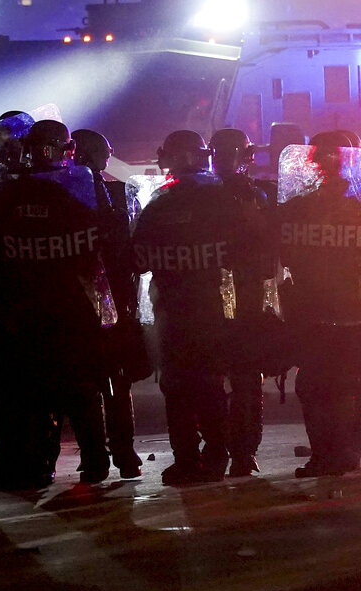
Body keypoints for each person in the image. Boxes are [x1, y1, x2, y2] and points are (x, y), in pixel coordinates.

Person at [0, 120, 111, 490]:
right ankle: (41, 464)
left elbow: (109, 245)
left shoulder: (85, 185)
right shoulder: (9, 190)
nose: (43, 157)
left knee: (78, 388)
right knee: (37, 392)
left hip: (67, 306)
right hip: (31, 307)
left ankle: (94, 459)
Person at [132, 130, 249, 485]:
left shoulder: (158, 204)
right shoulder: (223, 199)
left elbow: (137, 258)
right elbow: (249, 250)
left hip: (173, 311)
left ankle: (187, 460)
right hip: (213, 309)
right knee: (209, 385)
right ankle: (215, 455)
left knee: (178, 387)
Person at [277, 131, 361, 477]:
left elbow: (279, 255)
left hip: (317, 314)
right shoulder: (354, 208)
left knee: (319, 386)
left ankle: (332, 455)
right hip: (343, 314)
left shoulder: (297, 209)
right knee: (337, 385)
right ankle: (338, 453)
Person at [72, 128, 144, 479]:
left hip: (100, 299)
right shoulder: (113, 194)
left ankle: (105, 456)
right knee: (106, 382)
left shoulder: (114, 193)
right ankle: (114, 455)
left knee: (102, 382)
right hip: (100, 299)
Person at [209, 128, 273, 477]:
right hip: (243, 299)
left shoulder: (197, 194)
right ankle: (242, 453)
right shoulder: (254, 195)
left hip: (208, 300)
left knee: (213, 378)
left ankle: (224, 451)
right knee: (245, 379)